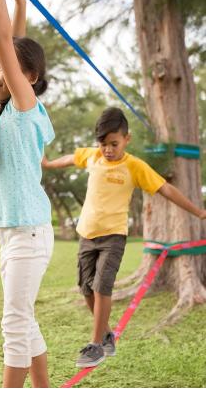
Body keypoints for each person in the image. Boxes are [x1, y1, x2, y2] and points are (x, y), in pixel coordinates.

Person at [42, 106, 206, 368]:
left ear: (126, 140)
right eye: (103, 144)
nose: (108, 149)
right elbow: (72, 157)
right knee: (86, 290)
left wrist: (198, 211)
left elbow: (166, 189)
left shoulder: (134, 166)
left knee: (101, 286)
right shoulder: (93, 156)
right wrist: (49, 164)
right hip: (86, 234)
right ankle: (107, 335)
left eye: (114, 144)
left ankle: (96, 346)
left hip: (114, 237)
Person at [0, 0, 55, 388]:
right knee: (24, 320)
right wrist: (19, 0)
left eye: (1, 67)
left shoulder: (26, 109)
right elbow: (11, 42)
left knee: (13, 324)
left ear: (29, 77)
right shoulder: (5, 112)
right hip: (13, 235)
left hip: (27, 233)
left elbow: (3, 38)